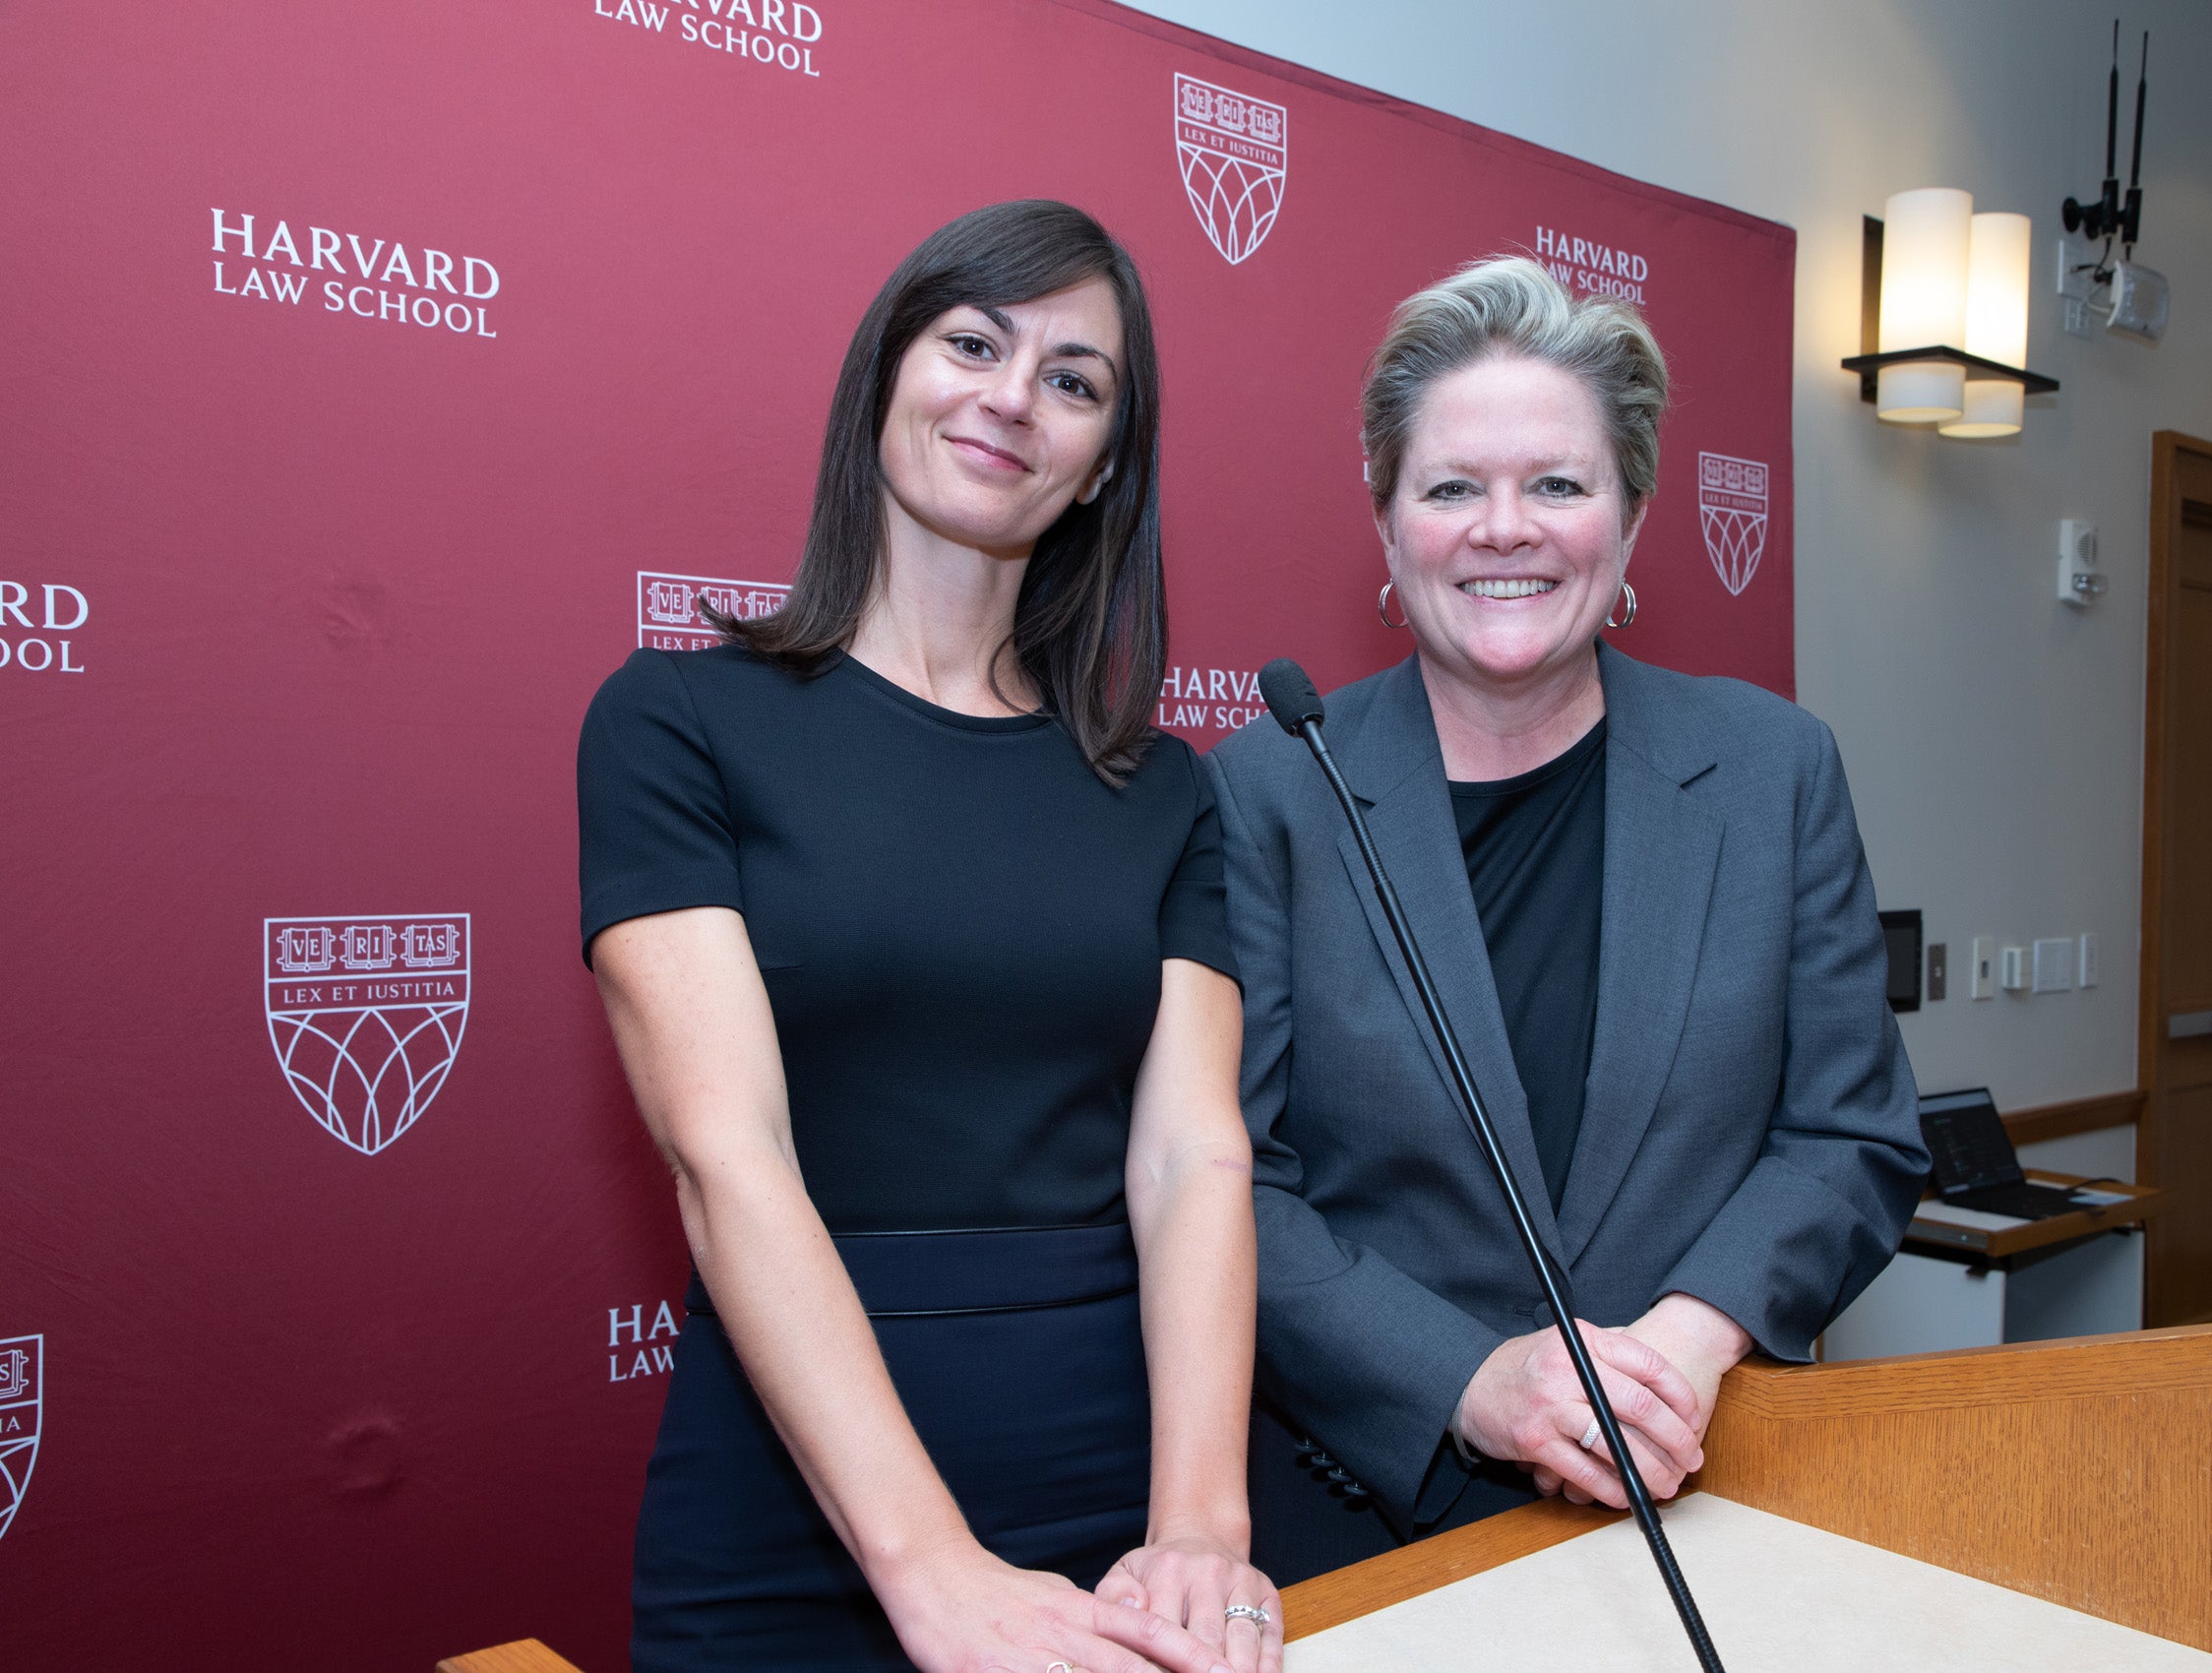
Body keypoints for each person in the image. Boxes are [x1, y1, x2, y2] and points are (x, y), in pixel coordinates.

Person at [578, 201, 1281, 1673]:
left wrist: (1202, 1528)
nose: (1013, 397)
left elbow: (1194, 1157)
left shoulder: (1163, 789)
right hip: (789, 1491)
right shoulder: (674, 721)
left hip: (1112, 1490)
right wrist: (931, 1567)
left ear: (1102, 472)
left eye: (1075, 380)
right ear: (886, 373)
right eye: (974, 341)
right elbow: (726, 1156)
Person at [1206, 256, 1929, 1582]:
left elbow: (1850, 1133)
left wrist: (1680, 1349)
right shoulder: (1269, 788)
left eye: (1555, 483)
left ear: (1631, 518)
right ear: (1384, 526)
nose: (1504, 528)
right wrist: (1469, 1379)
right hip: (1368, 1512)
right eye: (1449, 488)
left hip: (1709, 1484)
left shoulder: (1772, 768)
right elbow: (1223, 1180)